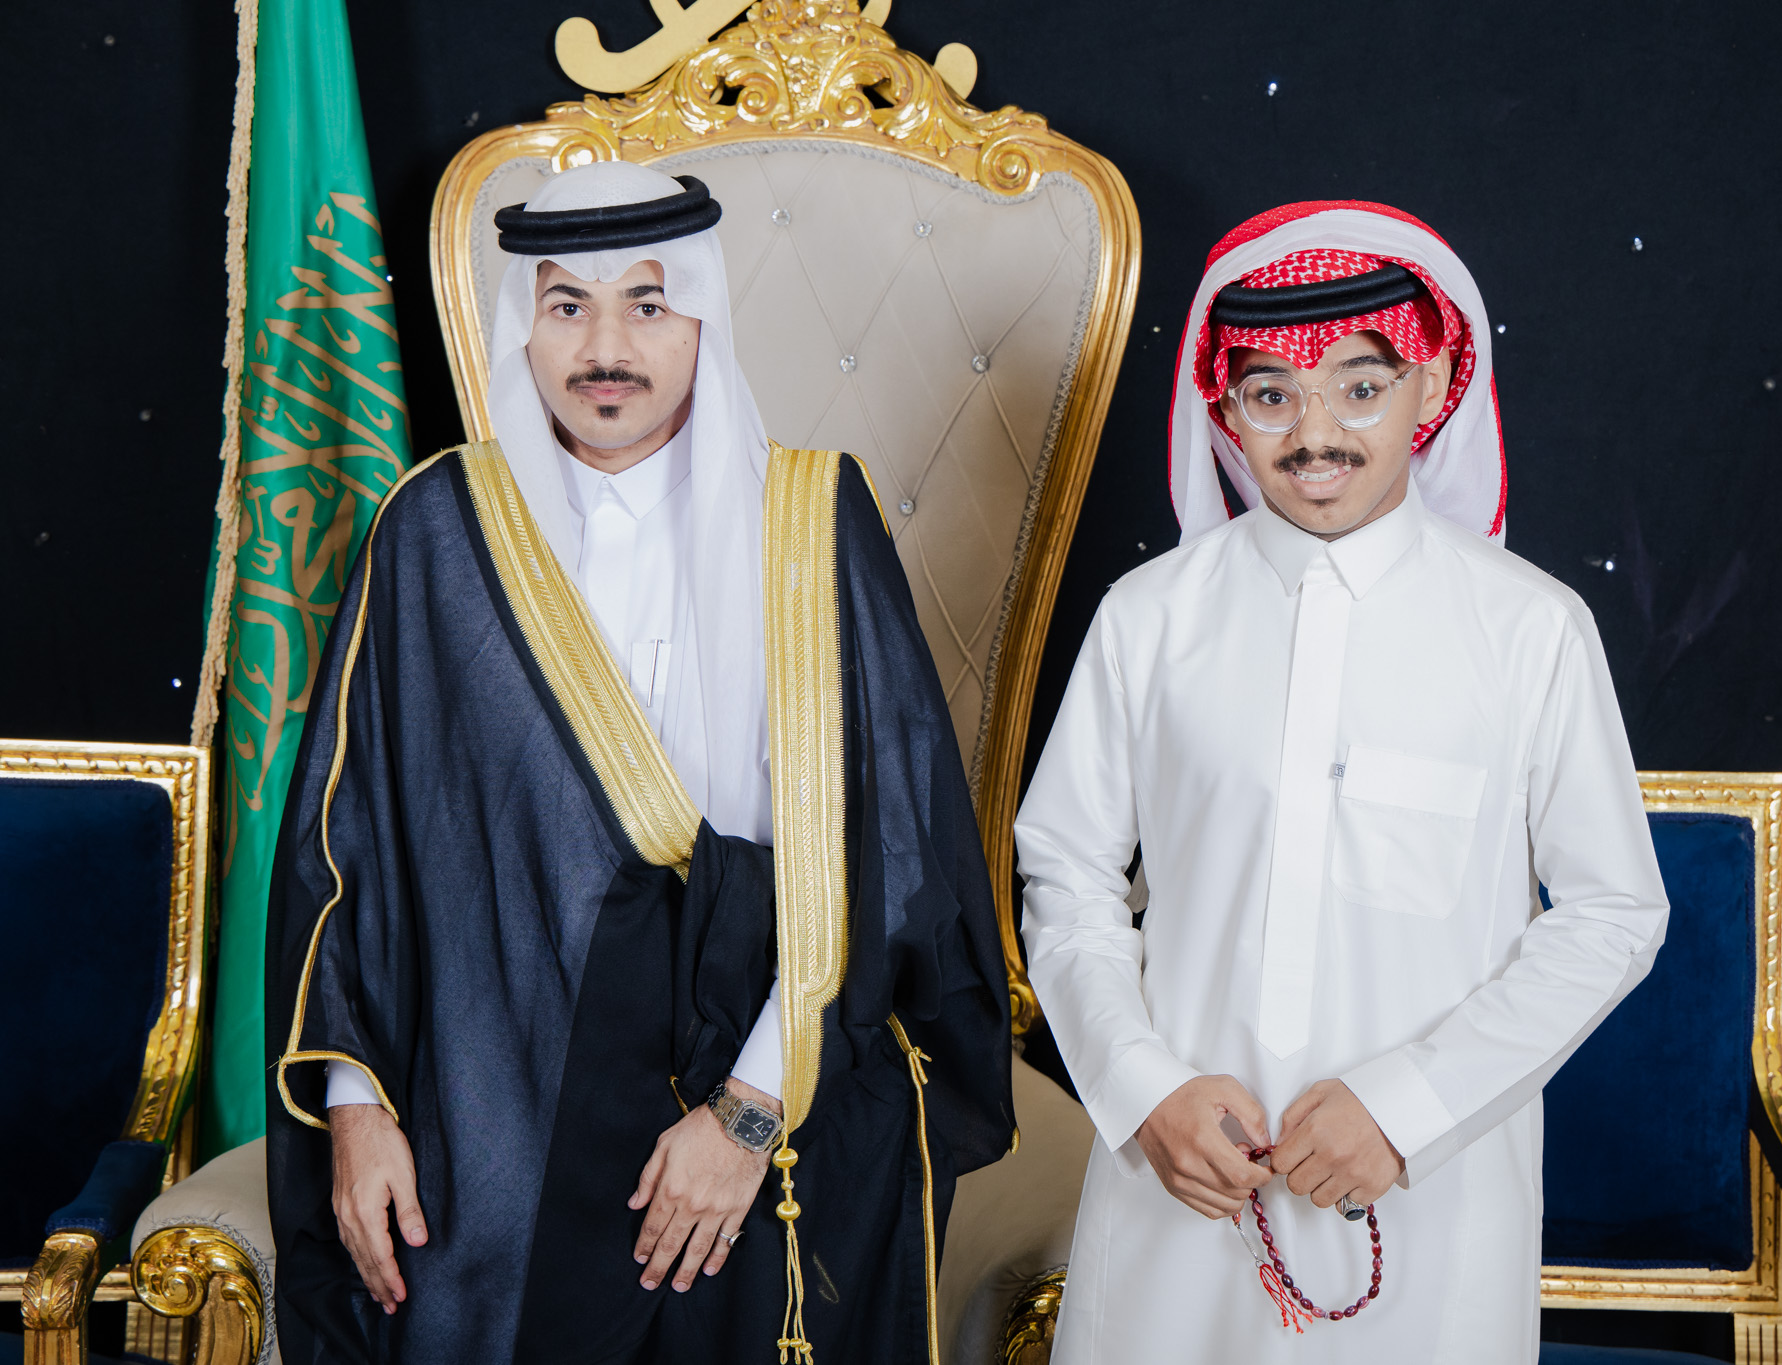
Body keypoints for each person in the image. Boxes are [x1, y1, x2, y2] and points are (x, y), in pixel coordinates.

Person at [266, 160, 1012, 1363]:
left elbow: (889, 853)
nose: (605, 348)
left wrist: (747, 1115)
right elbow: (349, 851)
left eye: (647, 305)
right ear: (523, 323)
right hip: (493, 1084)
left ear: (702, 317)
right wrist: (357, 1114)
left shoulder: (810, 517)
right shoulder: (437, 529)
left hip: (773, 1060)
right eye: (567, 305)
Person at [1014, 200, 1670, 1362]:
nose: (1313, 433)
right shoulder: (1148, 620)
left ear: (1433, 387)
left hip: (1430, 1203)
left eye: (1359, 388)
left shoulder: (1528, 630)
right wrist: (1141, 1088)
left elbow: (1613, 912)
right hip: (1179, 1190)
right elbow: (1064, 875)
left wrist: (1408, 1107)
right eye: (1271, 395)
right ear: (1223, 409)